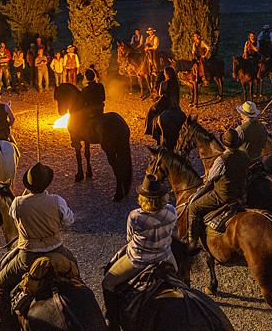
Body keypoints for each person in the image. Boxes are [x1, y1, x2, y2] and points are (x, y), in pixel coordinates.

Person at [0, 163, 75, 331]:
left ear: (28, 185)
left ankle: (7, 325)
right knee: (76, 274)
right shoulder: (57, 200)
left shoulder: (17, 203)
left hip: (28, 257)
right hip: (57, 251)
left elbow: (14, 219)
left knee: (0, 283)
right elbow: (69, 221)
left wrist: (26, 199)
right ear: (47, 183)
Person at [102, 175, 177, 330]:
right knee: (179, 278)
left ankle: (113, 323)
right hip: (165, 256)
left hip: (138, 260)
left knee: (107, 283)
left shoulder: (135, 216)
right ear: (163, 197)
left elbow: (129, 238)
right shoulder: (171, 211)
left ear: (144, 198)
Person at [186, 129, 248, 250]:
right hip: (241, 192)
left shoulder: (222, 160)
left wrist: (207, 175)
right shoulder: (245, 155)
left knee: (194, 207)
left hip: (223, 195)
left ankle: (192, 242)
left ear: (225, 144)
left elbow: (211, 177)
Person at [145, 66, 180, 135]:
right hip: (174, 103)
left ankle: (149, 129)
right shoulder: (176, 83)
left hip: (165, 102)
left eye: (164, 73)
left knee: (151, 111)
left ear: (167, 74)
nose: (164, 74)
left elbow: (160, 94)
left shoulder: (164, 83)